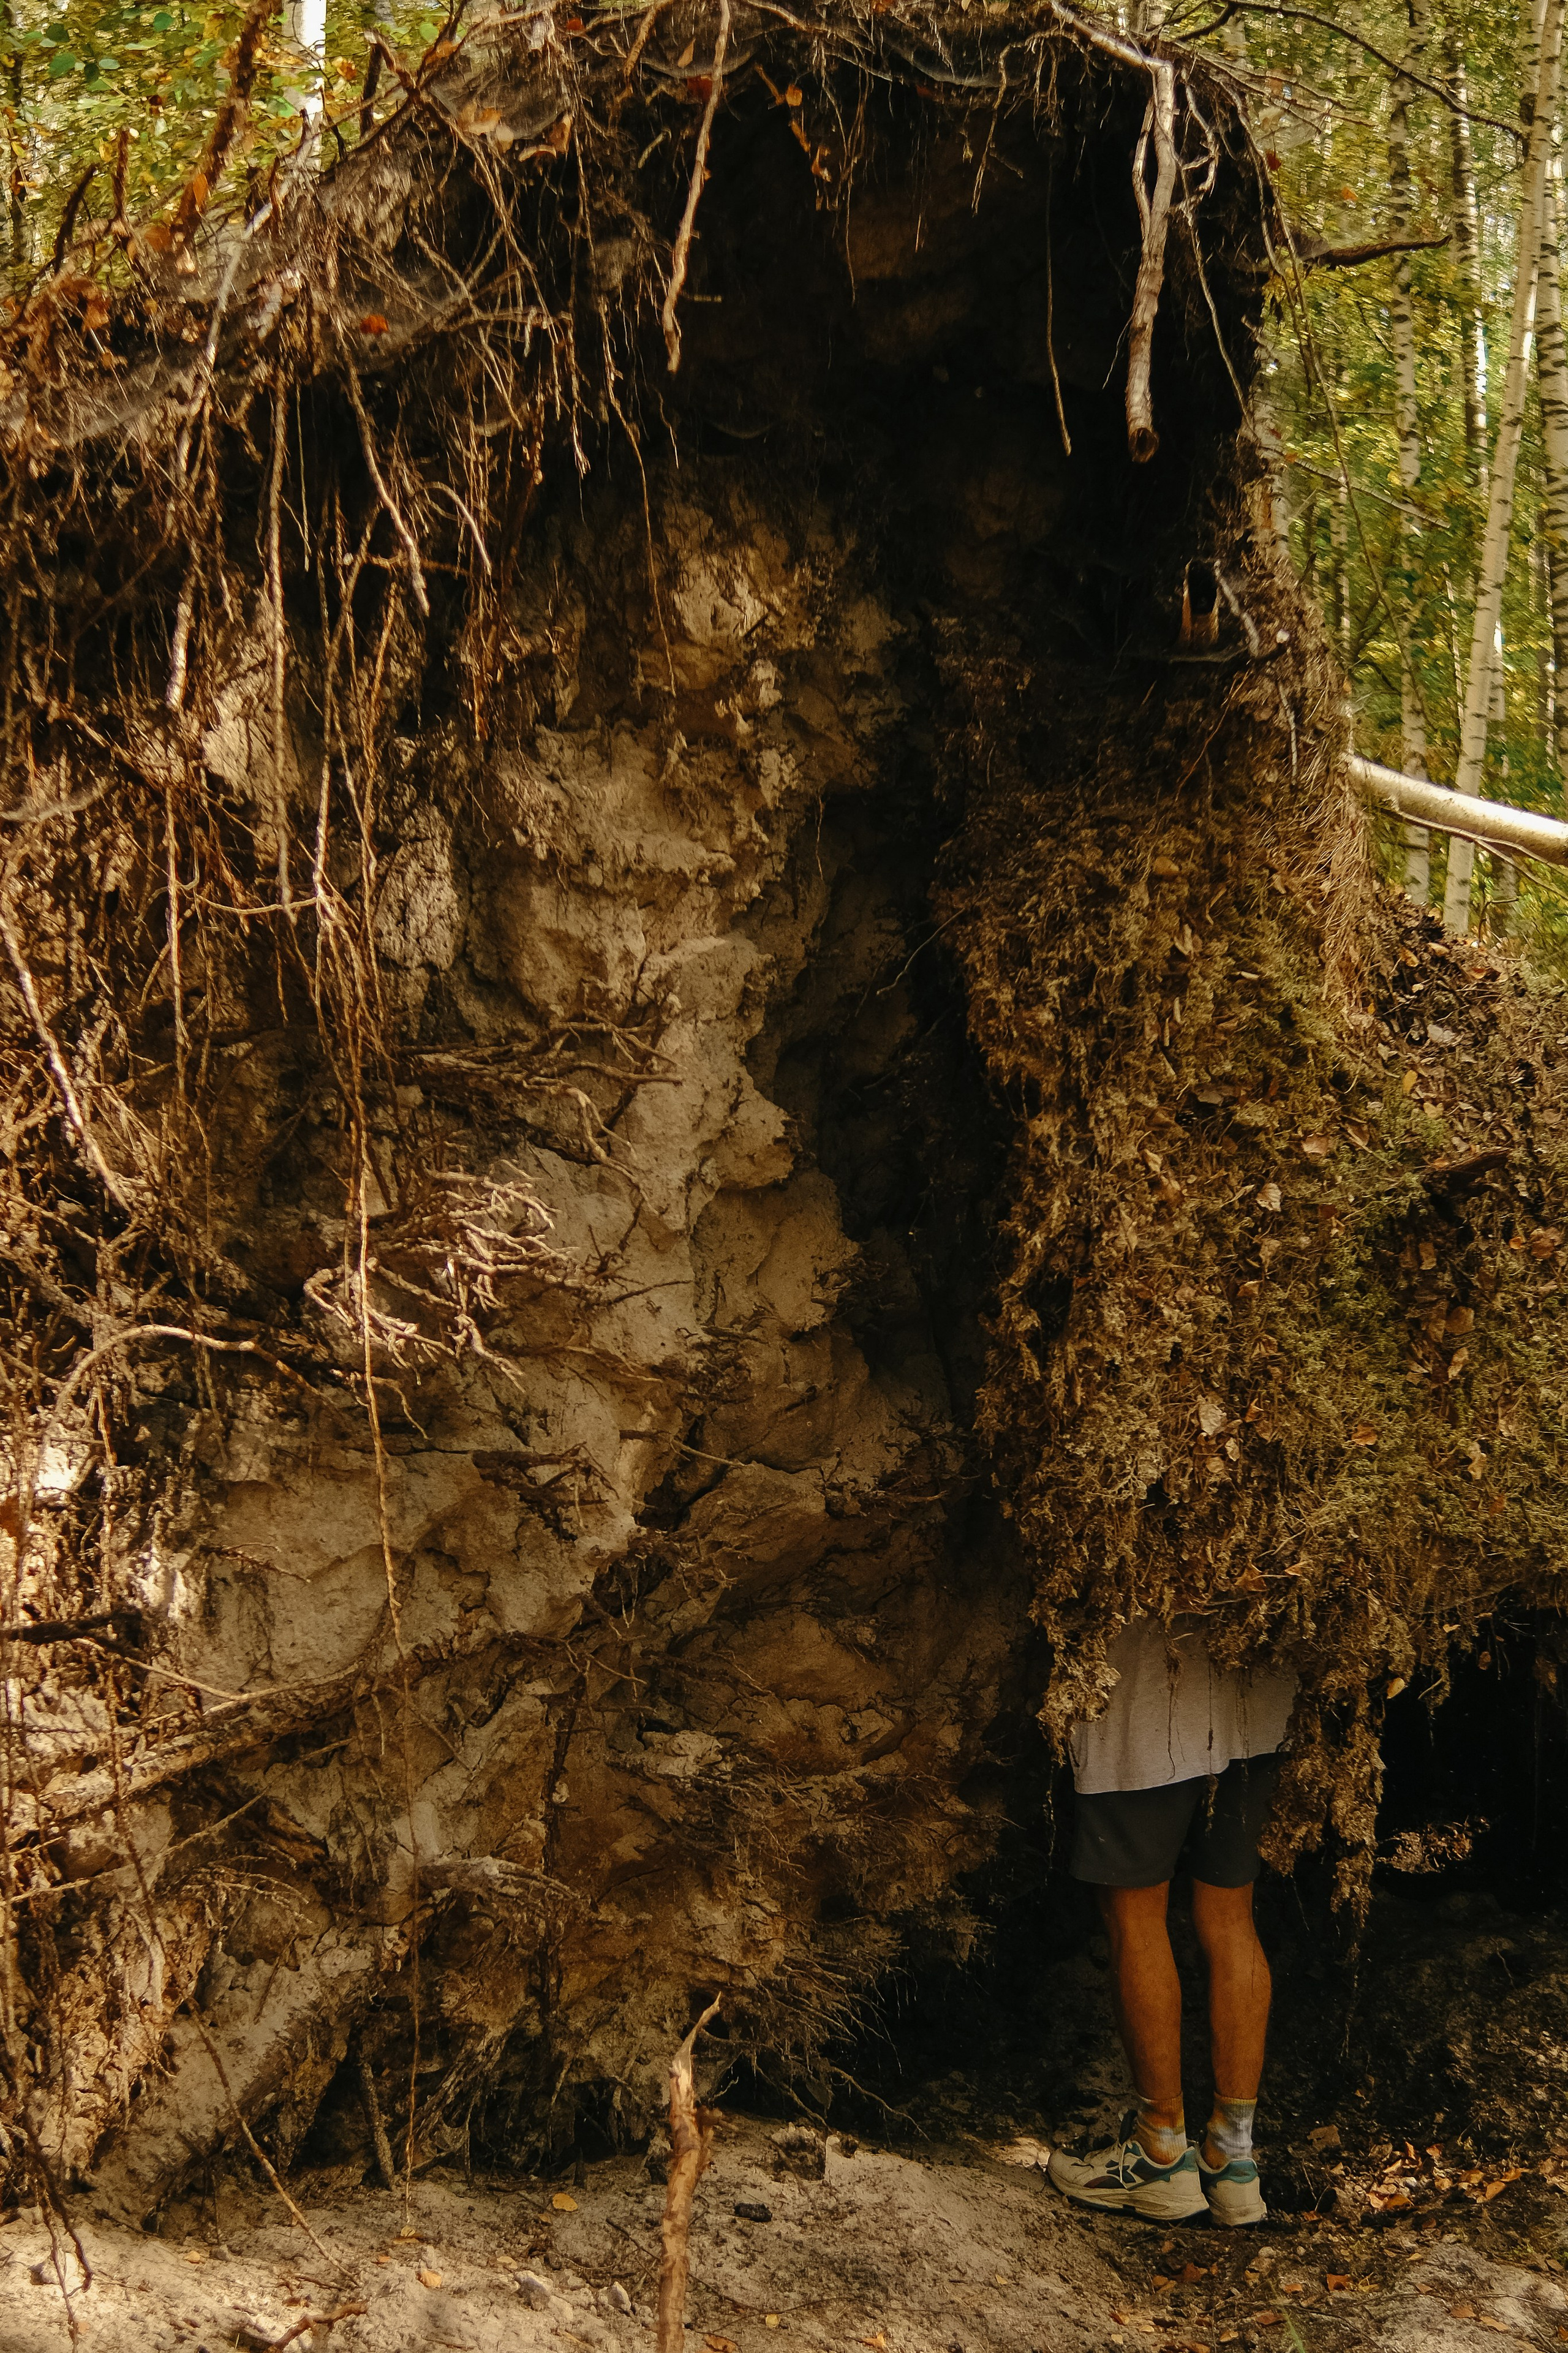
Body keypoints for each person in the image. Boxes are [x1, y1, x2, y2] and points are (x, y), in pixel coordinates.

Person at [1045, 1615, 1295, 2227]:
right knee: (1232, 1914)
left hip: (1144, 1695)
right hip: (1257, 1689)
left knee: (1134, 1913)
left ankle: (1160, 2148)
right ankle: (1233, 2158)